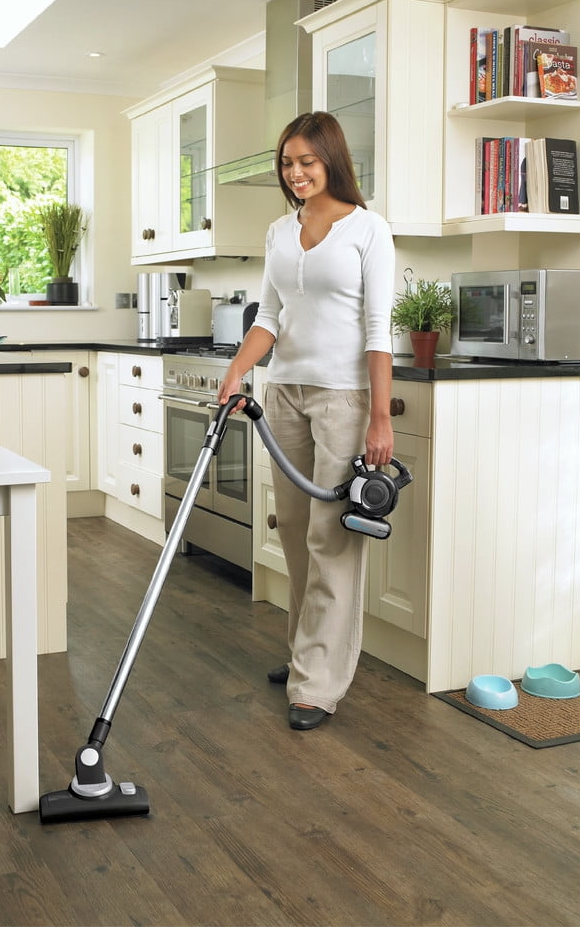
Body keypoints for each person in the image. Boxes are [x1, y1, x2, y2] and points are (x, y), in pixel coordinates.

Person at [217, 112, 396, 731]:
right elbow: (269, 316)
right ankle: (306, 652)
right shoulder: (279, 231)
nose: (295, 173)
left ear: (331, 161)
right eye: (287, 163)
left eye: (307, 162)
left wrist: (379, 417)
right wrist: (237, 371)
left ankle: (317, 684)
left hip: (343, 397)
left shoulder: (368, 229)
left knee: (330, 536)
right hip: (284, 392)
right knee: (293, 526)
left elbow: (378, 329)